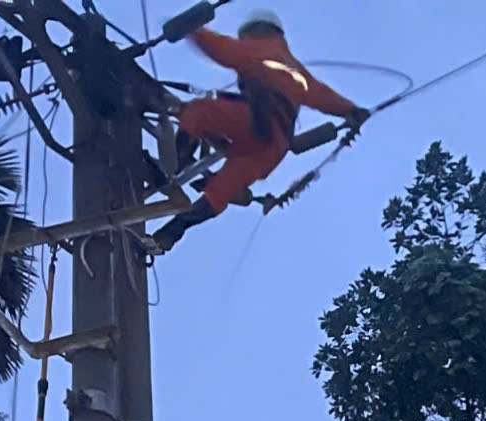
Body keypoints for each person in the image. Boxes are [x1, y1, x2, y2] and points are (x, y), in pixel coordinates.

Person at [154, 11, 368, 248]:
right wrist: (351, 110)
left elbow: (225, 50)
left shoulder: (263, 48)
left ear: (256, 31)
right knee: (220, 192)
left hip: (254, 119)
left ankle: (174, 167)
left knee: (197, 112)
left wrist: (194, 31)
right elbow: (320, 94)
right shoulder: (296, 70)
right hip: (272, 148)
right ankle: (169, 234)